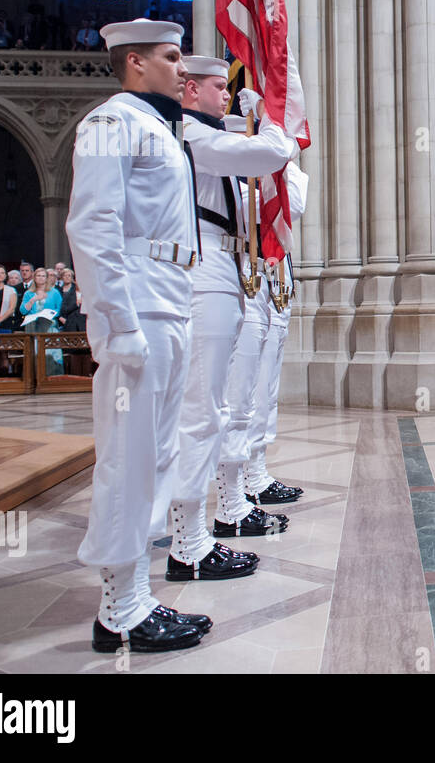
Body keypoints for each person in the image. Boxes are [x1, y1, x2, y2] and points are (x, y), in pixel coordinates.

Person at [65, 18, 210, 654]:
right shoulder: (109, 123)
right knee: (128, 458)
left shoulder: (160, 129)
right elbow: (92, 226)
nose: (184, 69)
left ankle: (136, 594)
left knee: (156, 456)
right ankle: (119, 608)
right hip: (138, 308)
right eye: (172, 57)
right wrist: (114, 322)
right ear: (134, 64)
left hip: (170, 300)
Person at [168, 55, 300, 581]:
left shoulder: (206, 135)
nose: (226, 96)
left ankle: (218, 514)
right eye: (218, 87)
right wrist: (267, 114)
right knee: (205, 408)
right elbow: (271, 153)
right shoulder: (190, 136)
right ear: (190, 90)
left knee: (231, 400)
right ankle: (190, 537)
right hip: (203, 269)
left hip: (228, 266)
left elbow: (285, 183)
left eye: (229, 87)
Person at [242, 163, 309, 508]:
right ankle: (240, 481)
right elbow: (273, 205)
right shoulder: (227, 153)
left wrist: (279, 164)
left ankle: (257, 471)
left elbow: (293, 201)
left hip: (275, 272)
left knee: (267, 386)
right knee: (246, 390)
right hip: (247, 270)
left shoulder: (274, 167)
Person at [19, 267, 64, 376]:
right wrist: (34, 299)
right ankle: (37, 377)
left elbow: (59, 308)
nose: (41, 278)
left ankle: (53, 377)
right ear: (34, 278)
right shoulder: (29, 293)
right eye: (38, 276)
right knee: (35, 352)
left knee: (51, 352)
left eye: (43, 276)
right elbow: (23, 310)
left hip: (49, 326)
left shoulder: (54, 292)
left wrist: (50, 314)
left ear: (47, 278)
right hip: (33, 326)